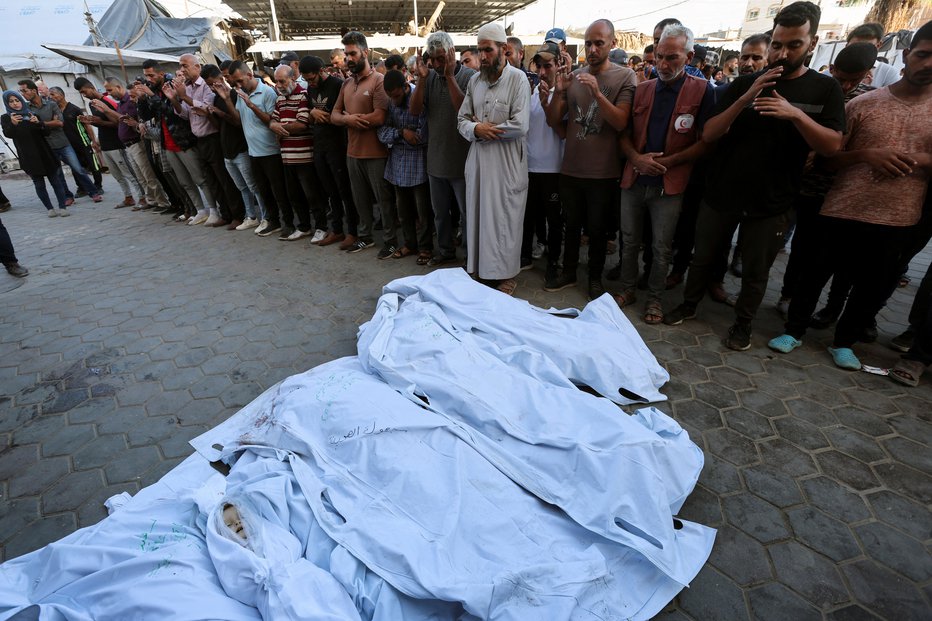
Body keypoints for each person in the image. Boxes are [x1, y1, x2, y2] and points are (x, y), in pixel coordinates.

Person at [664, 1, 846, 353]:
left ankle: (743, 324)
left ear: (813, 42)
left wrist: (795, 114)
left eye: (793, 44)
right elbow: (711, 133)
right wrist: (746, 94)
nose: (782, 52)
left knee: (755, 270)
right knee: (704, 255)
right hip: (722, 193)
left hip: (773, 200)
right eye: (777, 44)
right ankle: (688, 304)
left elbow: (832, 147)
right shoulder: (745, 83)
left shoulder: (824, 90)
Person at [768, 20, 932, 370]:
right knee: (814, 274)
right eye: (923, 55)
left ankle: (844, 342)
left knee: (871, 287)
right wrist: (866, 156)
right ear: (906, 56)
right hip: (842, 207)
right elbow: (827, 160)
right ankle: (794, 330)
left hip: (899, 216)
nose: (928, 64)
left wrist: (918, 159)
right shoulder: (864, 104)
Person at [616, 24, 714, 325]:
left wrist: (667, 163)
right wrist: (636, 158)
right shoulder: (643, 88)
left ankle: (655, 299)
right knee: (629, 240)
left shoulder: (702, 91)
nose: (662, 64)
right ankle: (627, 289)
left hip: (669, 187)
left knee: (661, 248)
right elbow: (623, 133)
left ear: (689, 56)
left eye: (671, 58)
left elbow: (705, 141)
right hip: (634, 179)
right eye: (658, 56)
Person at [775, 42, 879, 317]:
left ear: (869, 74)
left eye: (852, 80)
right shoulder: (819, 89)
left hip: (840, 189)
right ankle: (788, 295)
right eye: (840, 78)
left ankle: (830, 307)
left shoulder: (870, 101)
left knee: (830, 256)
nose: (844, 86)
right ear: (832, 69)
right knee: (799, 246)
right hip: (805, 184)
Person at [545, 18, 637, 300]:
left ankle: (594, 278)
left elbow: (621, 122)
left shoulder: (625, 77)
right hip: (571, 169)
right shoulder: (574, 77)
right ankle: (569, 271)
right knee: (570, 225)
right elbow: (553, 121)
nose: (593, 49)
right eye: (588, 43)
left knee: (597, 230)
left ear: (612, 43)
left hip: (603, 173)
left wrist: (597, 91)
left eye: (599, 43)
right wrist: (560, 91)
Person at [457, 22, 530, 295]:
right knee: (478, 214)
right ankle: (479, 269)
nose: (483, 55)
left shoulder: (518, 80)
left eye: (488, 50)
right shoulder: (475, 81)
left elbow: (520, 125)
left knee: (505, 218)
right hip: (478, 159)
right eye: (480, 50)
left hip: (507, 163)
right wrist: (476, 128)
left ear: (504, 49)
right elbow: (462, 119)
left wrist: (488, 128)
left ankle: (507, 275)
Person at [409, 31, 477, 267]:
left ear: (451, 53)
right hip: (436, 160)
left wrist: (449, 77)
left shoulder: (470, 77)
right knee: (440, 213)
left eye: (441, 58)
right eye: (432, 59)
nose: (437, 64)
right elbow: (415, 111)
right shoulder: (428, 78)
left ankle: (470, 257)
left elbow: (465, 111)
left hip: (462, 161)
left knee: (468, 215)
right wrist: (420, 79)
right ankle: (446, 251)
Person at [331, 31, 400, 258]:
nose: (349, 59)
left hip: (377, 153)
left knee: (384, 201)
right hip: (353, 153)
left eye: (352, 53)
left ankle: (390, 241)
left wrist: (350, 119)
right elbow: (334, 115)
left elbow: (380, 117)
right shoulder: (347, 83)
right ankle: (365, 237)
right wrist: (348, 119)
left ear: (365, 52)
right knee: (360, 200)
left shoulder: (379, 81)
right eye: (347, 54)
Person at [168, 54, 245, 229]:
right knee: (211, 180)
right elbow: (185, 114)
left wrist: (185, 97)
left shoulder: (207, 85)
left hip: (213, 137)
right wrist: (175, 99)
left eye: (185, 65)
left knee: (224, 179)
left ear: (197, 67)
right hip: (199, 139)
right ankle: (224, 213)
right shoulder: (187, 87)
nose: (182, 70)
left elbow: (206, 108)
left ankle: (237, 215)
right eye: (181, 66)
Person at [135, 60, 212, 225]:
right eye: (146, 76)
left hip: (183, 140)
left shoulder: (171, 86)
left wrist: (151, 95)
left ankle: (214, 209)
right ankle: (200, 210)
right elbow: (148, 116)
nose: (148, 79)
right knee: (184, 181)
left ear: (161, 74)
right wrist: (142, 99)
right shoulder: (153, 91)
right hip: (167, 142)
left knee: (199, 178)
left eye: (151, 75)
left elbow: (173, 113)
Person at [220, 61, 291, 238]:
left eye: (240, 81)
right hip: (253, 152)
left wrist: (252, 105)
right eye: (234, 82)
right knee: (264, 190)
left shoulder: (267, 92)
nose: (237, 85)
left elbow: (272, 121)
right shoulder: (241, 93)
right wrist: (228, 99)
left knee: (279, 191)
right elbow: (238, 120)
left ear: (250, 75)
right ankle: (273, 221)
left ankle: (288, 223)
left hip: (271, 151)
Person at [520, 41, 565, 286]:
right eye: (539, 65)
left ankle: (553, 264)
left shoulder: (564, 91)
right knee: (527, 216)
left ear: (559, 65)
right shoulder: (533, 91)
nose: (543, 71)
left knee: (554, 220)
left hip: (552, 169)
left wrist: (551, 101)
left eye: (548, 65)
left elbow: (559, 128)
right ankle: (525, 255)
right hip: (529, 167)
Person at [93, 76, 173, 214]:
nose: (108, 93)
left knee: (148, 176)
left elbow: (130, 120)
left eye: (110, 90)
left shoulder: (129, 102)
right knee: (141, 177)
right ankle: (152, 200)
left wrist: (106, 110)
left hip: (137, 143)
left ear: (118, 87)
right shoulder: (120, 104)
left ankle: (162, 202)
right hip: (128, 145)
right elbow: (120, 121)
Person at [301, 55, 357, 248]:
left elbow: (342, 114)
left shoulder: (338, 85)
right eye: (306, 79)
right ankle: (337, 230)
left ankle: (352, 231)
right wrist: (312, 112)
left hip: (338, 145)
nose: (310, 83)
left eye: (312, 78)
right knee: (330, 191)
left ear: (321, 71)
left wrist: (321, 114)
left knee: (344, 191)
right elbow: (312, 111)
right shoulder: (311, 88)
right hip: (319, 144)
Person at [200, 63, 264, 231]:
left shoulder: (235, 94)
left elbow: (237, 122)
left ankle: (265, 217)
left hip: (240, 147)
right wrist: (209, 114)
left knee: (253, 186)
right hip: (227, 149)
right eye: (208, 85)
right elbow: (219, 126)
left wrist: (222, 110)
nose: (212, 87)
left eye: (213, 83)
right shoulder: (216, 97)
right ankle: (250, 216)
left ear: (222, 78)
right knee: (241, 187)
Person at [18, 79, 101, 204]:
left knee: (78, 169)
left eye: (24, 91)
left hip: (63, 143)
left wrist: (40, 123)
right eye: (21, 91)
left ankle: (93, 192)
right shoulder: (27, 109)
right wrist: (47, 123)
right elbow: (33, 127)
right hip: (47, 146)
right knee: (58, 174)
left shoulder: (51, 104)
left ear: (34, 90)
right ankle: (68, 196)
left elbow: (59, 123)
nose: (22, 94)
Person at [269, 65, 328, 241]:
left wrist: (280, 128)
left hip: (304, 156)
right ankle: (303, 226)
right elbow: (273, 121)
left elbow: (302, 124)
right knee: (295, 195)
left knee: (312, 195)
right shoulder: (280, 98)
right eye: (277, 81)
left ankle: (321, 227)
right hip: (287, 156)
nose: (278, 85)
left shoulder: (303, 95)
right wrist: (275, 126)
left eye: (282, 81)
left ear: (293, 78)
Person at [378, 69, 431, 262]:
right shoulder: (391, 104)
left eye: (397, 96)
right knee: (403, 212)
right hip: (397, 164)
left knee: (423, 212)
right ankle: (410, 244)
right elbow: (382, 133)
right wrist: (402, 133)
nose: (394, 100)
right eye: (390, 97)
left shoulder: (419, 99)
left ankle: (426, 248)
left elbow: (422, 137)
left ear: (405, 86)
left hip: (419, 164)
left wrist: (407, 136)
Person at [73, 77, 145, 210]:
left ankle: (142, 197)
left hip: (117, 143)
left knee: (129, 173)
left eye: (84, 91)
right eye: (81, 93)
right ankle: (128, 197)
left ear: (91, 88)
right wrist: (91, 121)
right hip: (105, 144)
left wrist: (100, 122)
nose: (84, 95)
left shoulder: (107, 101)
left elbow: (120, 122)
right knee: (117, 175)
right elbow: (101, 122)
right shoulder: (92, 103)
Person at [1, 90, 70, 216]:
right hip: (29, 157)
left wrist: (39, 123)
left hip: (44, 153)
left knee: (55, 181)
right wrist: (13, 124)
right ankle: (50, 209)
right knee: (39, 184)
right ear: (7, 103)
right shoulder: (6, 118)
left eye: (17, 100)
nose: (15, 104)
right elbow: (8, 134)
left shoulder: (31, 113)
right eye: (11, 101)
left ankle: (62, 207)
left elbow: (46, 133)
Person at [48, 86, 103, 198]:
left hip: (83, 142)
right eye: (50, 95)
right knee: (75, 167)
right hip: (68, 145)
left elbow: (87, 126)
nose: (51, 97)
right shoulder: (55, 111)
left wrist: (93, 141)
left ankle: (98, 186)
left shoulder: (74, 109)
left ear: (61, 95)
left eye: (53, 94)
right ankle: (82, 188)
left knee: (93, 165)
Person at [846, 22, 900, 88]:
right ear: (846, 46)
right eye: (854, 47)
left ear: (878, 45)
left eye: (866, 48)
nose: (858, 51)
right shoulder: (837, 69)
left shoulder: (889, 73)